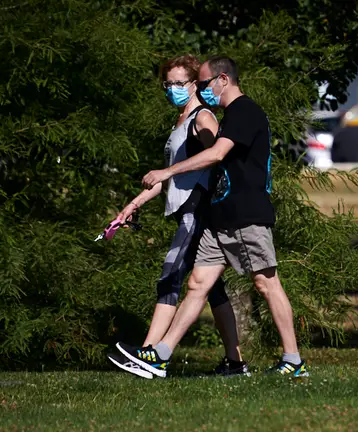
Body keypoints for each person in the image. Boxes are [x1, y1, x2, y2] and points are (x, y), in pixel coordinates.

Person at [117, 55, 308, 377]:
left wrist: (168, 170)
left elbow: (217, 154)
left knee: (266, 283)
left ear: (222, 79)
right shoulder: (231, 114)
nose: (201, 90)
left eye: (204, 84)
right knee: (198, 284)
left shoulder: (246, 111)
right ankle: (160, 355)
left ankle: (293, 361)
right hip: (222, 217)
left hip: (246, 214)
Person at [107, 54, 249, 379]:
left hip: (197, 211)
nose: (172, 89)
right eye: (167, 83)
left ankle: (147, 352)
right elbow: (168, 178)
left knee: (171, 274)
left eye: (179, 83)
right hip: (186, 209)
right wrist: (133, 205)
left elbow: (216, 157)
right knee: (213, 290)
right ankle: (236, 363)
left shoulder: (202, 118)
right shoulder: (181, 120)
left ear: (195, 84)